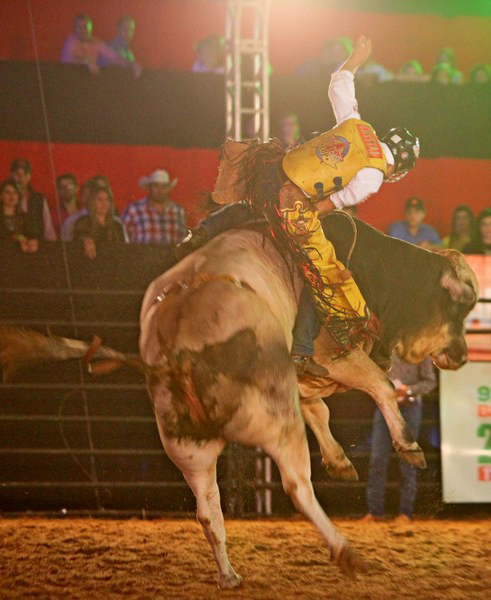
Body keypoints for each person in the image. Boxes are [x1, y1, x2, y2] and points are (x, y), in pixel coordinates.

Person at [177, 36, 420, 376]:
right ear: (401, 166)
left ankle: (202, 233)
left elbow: (338, 83)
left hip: (272, 170)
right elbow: (328, 204)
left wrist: (354, 60)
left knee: (253, 204)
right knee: (317, 276)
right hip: (294, 201)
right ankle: (302, 350)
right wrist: (305, 218)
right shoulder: (374, 176)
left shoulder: (356, 124)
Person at [365, 351, 436, 522]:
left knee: (406, 461)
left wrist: (408, 390)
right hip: (387, 407)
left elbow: (430, 381)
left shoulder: (419, 351)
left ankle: (404, 512)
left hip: (405, 407)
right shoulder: (388, 348)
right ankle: (377, 512)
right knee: (378, 459)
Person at [61, 13, 141, 76]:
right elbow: (66, 60)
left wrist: (131, 64)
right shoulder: (70, 42)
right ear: (74, 28)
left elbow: (114, 57)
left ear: (91, 28)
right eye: (79, 27)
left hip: (89, 84)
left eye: (85, 27)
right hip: (70, 82)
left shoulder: (97, 43)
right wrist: (86, 62)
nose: (83, 30)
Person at [122, 169, 186, 244]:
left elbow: (182, 239)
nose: (160, 190)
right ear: (150, 188)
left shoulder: (178, 211)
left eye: (164, 186)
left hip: (171, 255)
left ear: (168, 189)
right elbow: (121, 236)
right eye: (156, 185)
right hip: (142, 255)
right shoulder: (134, 210)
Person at [72, 184, 128, 259]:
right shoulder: (83, 222)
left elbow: (123, 250)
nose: (104, 203)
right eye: (99, 199)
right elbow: (80, 236)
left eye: (107, 199)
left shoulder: (116, 225)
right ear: (92, 202)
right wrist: (86, 240)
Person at [0, 179, 40, 253]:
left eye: (15, 192)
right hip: (0, 256)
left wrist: (33, 241)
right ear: (0, 196)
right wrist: (19, 238)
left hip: (23, 258)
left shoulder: (25, 217)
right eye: (7, 192)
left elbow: (32, 234)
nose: (12, 196)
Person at [10, 158, 56, 241]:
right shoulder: (1, 198)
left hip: (35, 246)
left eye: (24, 174)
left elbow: (48, 228)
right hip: (9, 246)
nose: (21, 178)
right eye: (17, 174)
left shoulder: (39, 199)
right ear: (11, 175)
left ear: (29, 176)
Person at [61, 176, 110, 241]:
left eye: (92, 195)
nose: (89, 198)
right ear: (81, 197)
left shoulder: (116, 222)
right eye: (86, 195)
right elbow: (66, 246)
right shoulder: (72, 221)